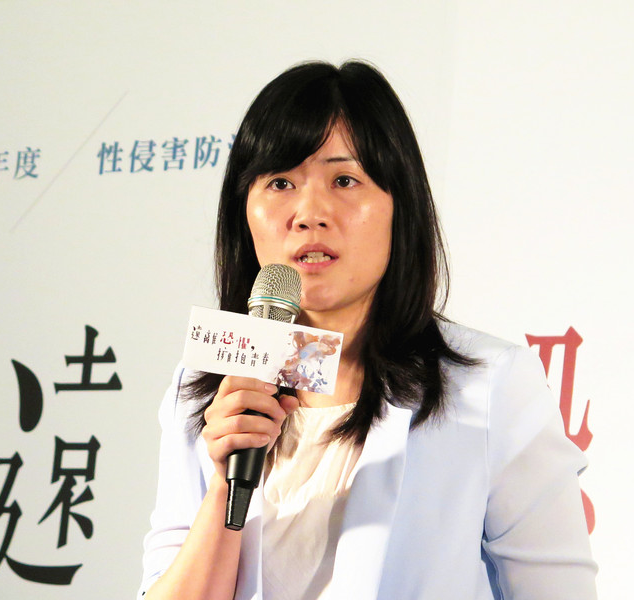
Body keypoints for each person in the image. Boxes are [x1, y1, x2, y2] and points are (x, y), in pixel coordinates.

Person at [138, 60, 597, 600]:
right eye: (280, 182)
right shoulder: (205, 388)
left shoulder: (489, 385)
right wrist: (224, 485)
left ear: (400, 205)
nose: (309, 213)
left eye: (344, 180)